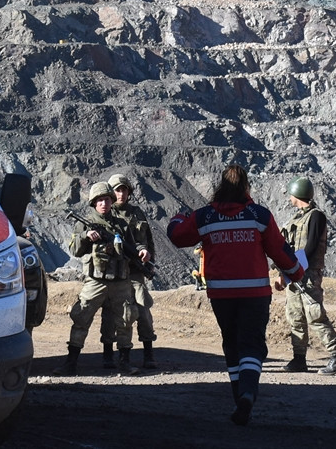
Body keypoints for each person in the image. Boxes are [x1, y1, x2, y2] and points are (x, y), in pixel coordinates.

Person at [168, 164, 304, 426]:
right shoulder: (259, 215)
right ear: (246, 186)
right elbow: (279, 250)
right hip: (255, 294)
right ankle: (248, 394)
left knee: (231, 343)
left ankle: (238, 399)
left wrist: (178, 217)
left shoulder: (205, 217)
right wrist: (296, 273)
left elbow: (177, 236)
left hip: (221, 295)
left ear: (220, 185)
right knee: (252, 345)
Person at [52, 181, 139, 376]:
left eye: (107, 200)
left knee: (125, 320)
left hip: (120, 281)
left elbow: (132, 249)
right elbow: (75, 250)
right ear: (93, 202)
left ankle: (125, 363)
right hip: (96, 280)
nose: (104, 204)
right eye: (100, 200)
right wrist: (85, 236)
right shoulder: (84, 223)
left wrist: (141, 253)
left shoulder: (121, 224)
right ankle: (71, 363)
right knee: (81, 317)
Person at [274, 176, 336, 375]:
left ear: (296, 194)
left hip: (307, 277)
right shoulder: (296, 219)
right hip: (294, 275)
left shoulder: (316, 216)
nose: (289, 197)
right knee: (295, 317)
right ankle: (299, 359)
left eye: (290, 194)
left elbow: (310, 247)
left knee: (315, 316)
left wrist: (292, 269)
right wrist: (284, 272)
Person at [97, 173, 158, 370]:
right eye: (117, 190)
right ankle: (109, 354)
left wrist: (148, 257)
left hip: (135, 271)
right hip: (114, 273)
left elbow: (148, 240)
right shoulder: (106, 214)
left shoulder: (137, 213)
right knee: (111, 314)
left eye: (124, 190)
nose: (121, 194)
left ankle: (148, 353)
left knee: (143, 311)